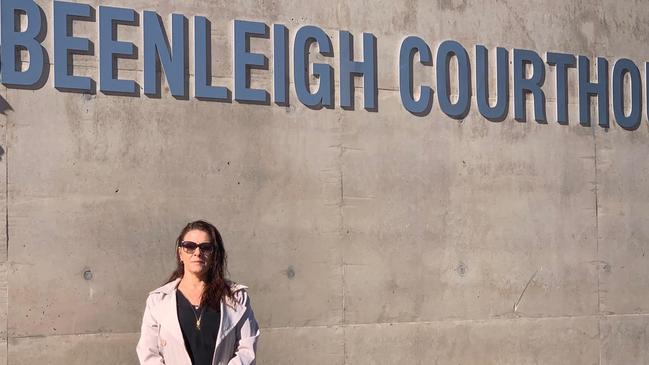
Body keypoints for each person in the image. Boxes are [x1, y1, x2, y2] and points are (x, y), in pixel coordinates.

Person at [136, 220, 259, 365]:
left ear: (214, 255)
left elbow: (246, 350)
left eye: (205, 247)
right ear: (180, 253)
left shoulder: (237, 297)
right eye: (189, 246)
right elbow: (148, 352)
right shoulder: (158, 300)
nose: (197, 252)